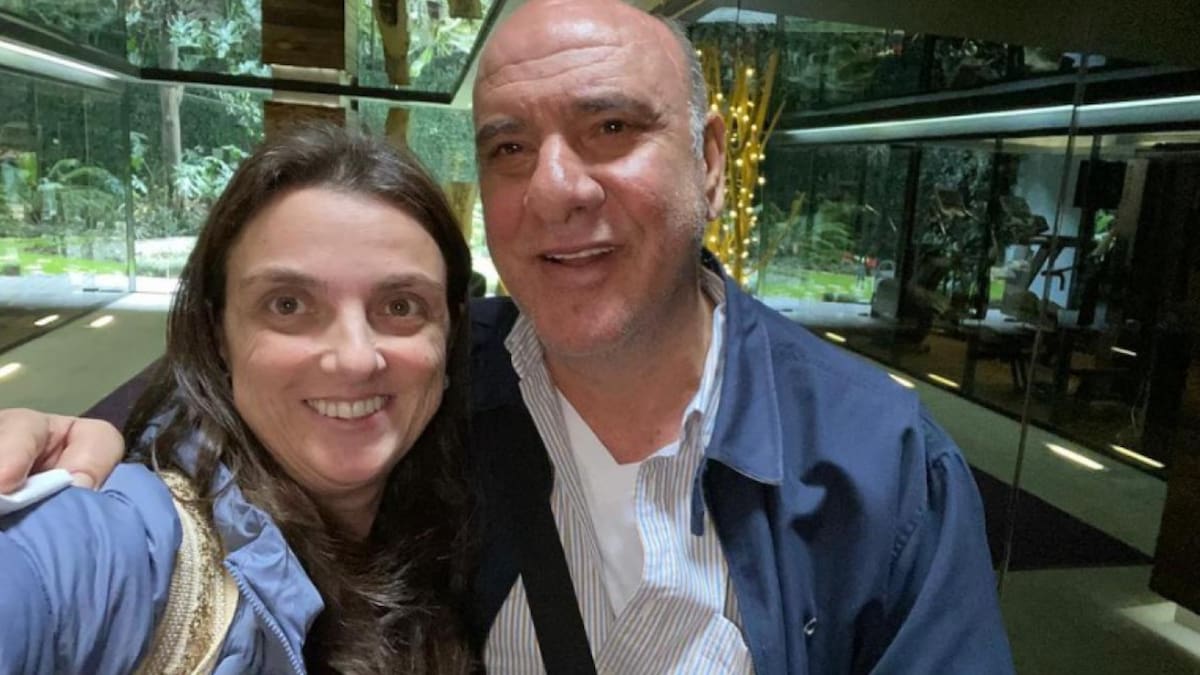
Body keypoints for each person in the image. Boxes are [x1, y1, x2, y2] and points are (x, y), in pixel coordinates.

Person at [0, 0, 1015, 672]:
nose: (556, 189)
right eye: (510, 146)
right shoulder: (443, 376)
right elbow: (234, 413)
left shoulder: (877, 465)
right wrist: (86, 435)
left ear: (710, 162)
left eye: (611, 128)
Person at [1, 124, 474, 673]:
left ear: (450, 335)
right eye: (288, 305)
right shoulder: (126, 549)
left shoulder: (468, 520)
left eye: (400, 306)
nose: (354, 358)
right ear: (218, 333)